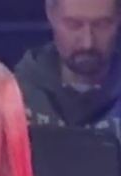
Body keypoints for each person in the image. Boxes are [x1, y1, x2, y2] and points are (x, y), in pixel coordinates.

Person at [15, 0, 121, 134]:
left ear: (119, 17)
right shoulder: (15, 98)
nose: (87, 43)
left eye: (101, 25)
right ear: (51, 14)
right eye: (73, 25)